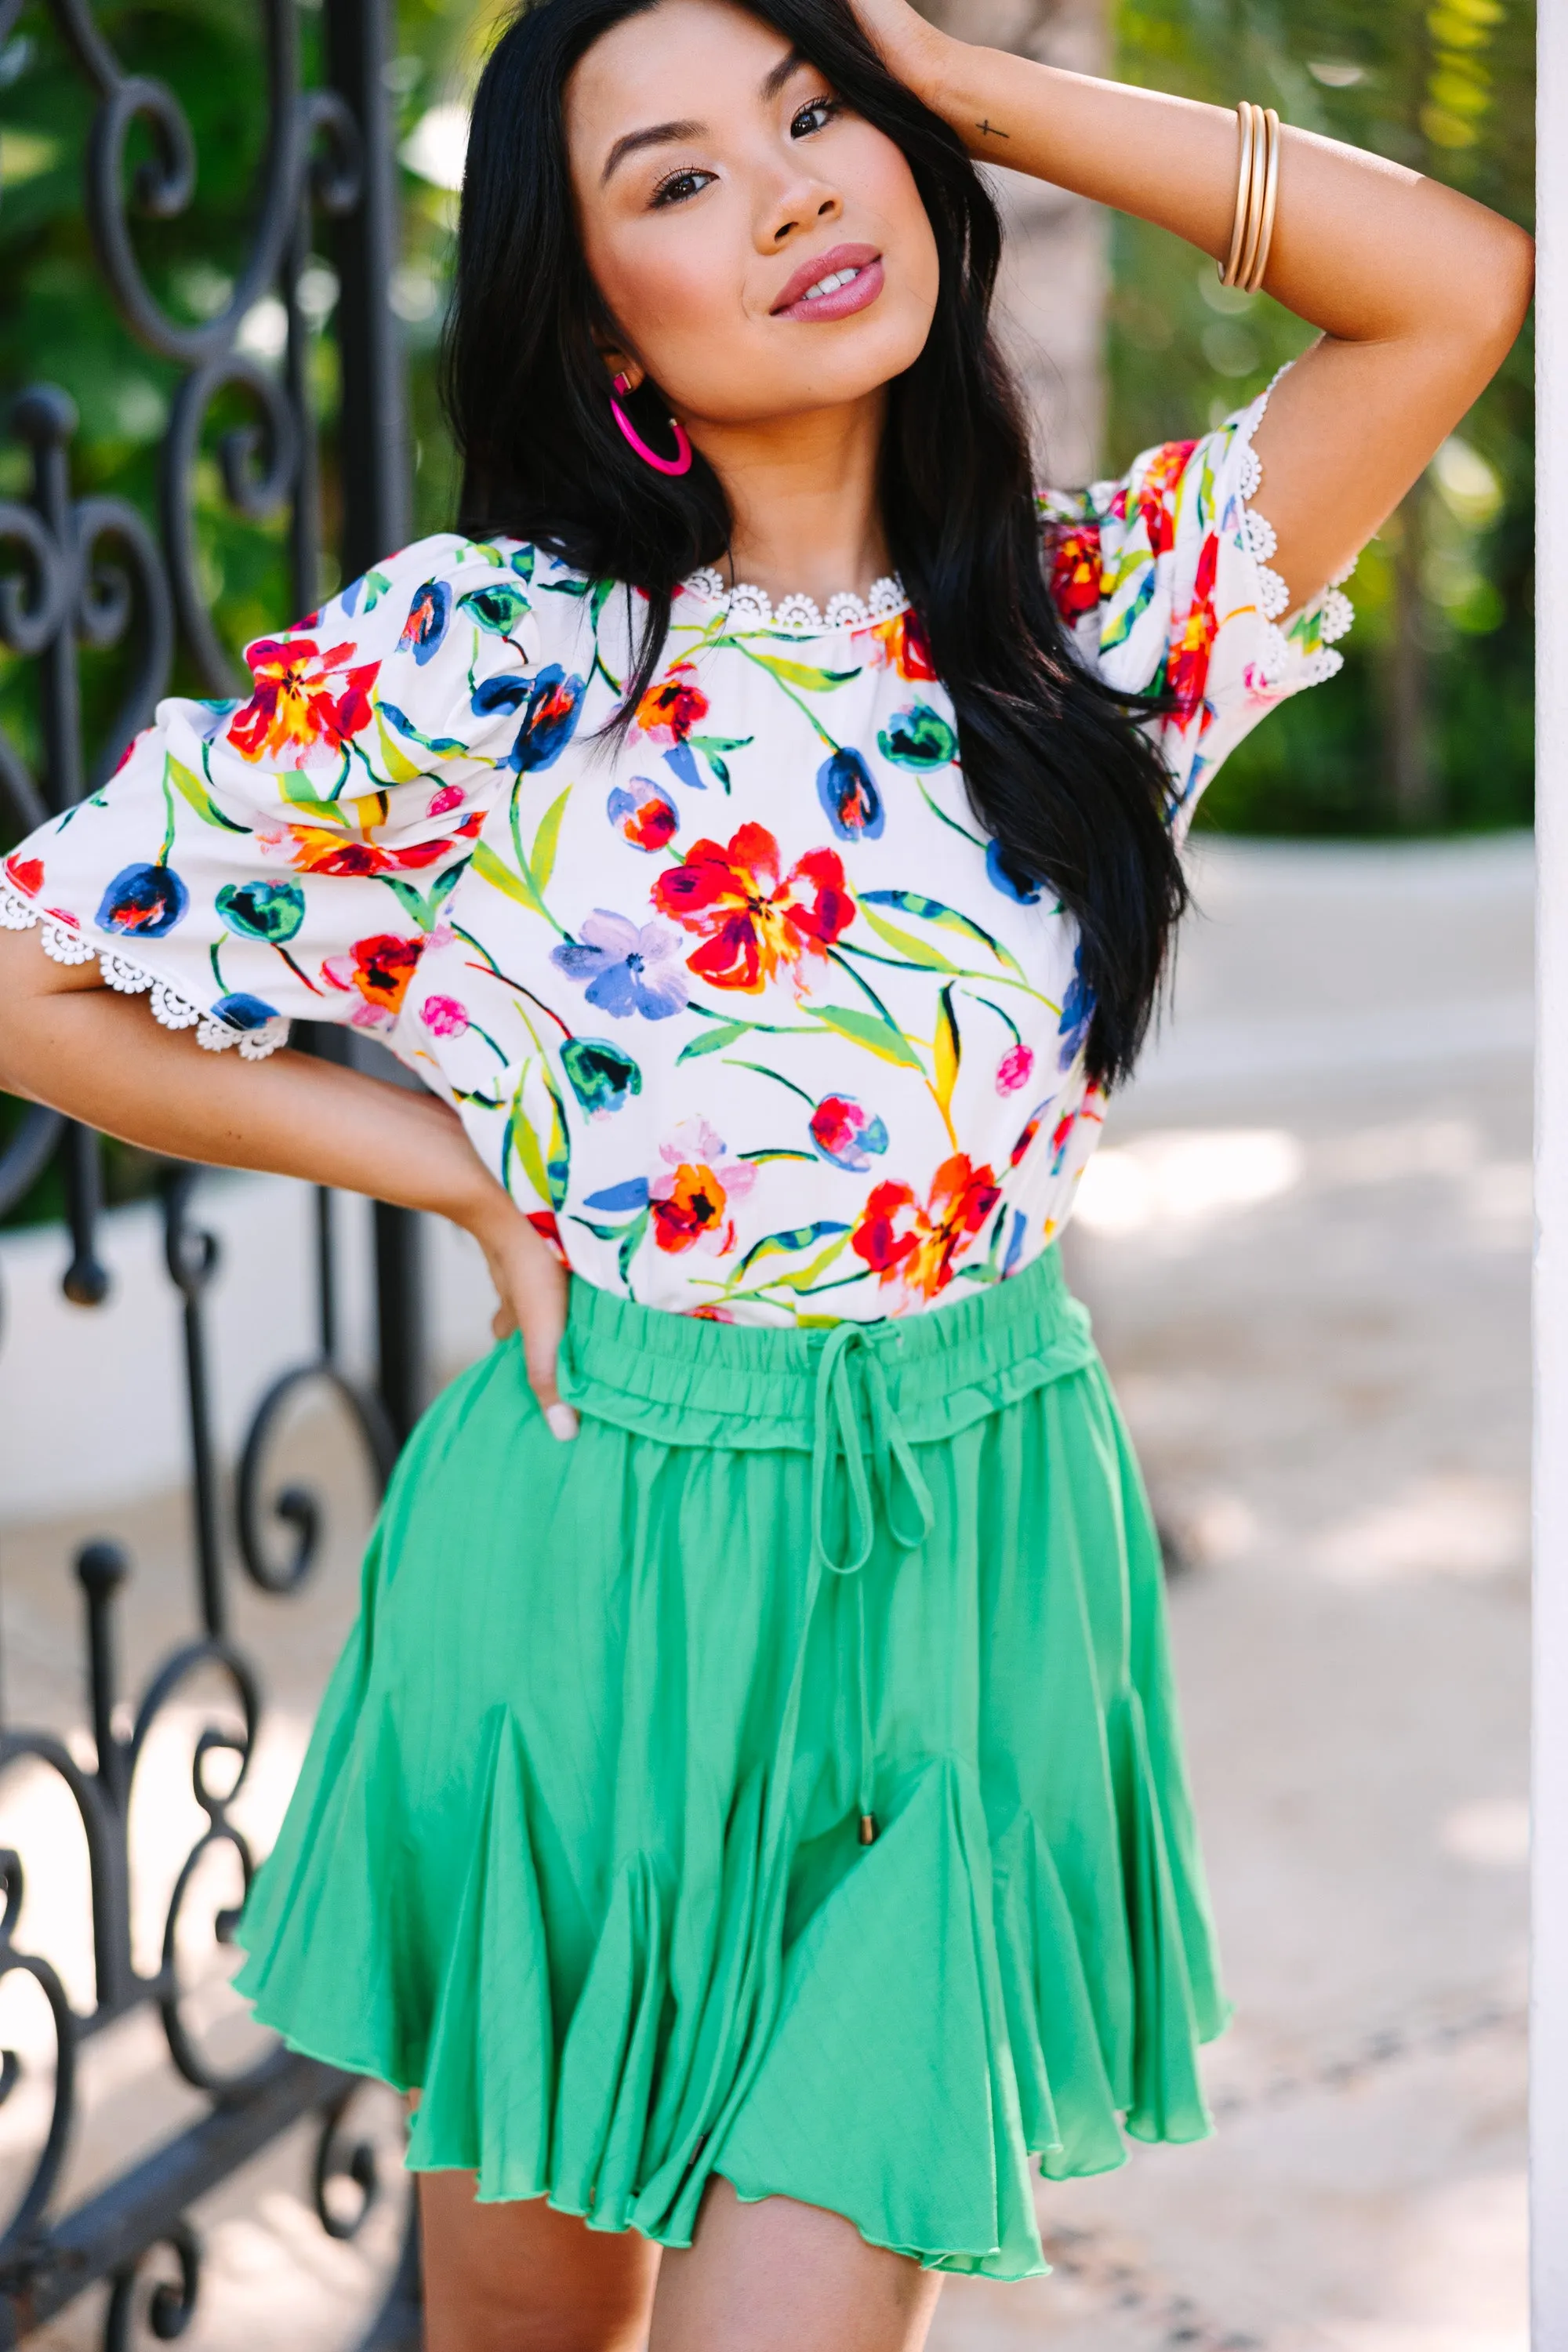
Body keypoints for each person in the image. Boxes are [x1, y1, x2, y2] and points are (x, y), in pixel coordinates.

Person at [0, 0, 1530, 2337]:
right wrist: (453, 1179)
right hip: (585, 1556)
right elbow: (36, 973)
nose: (798, 189)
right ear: (592, 302)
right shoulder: (488, 663)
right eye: (681, 175)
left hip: (965, 1581)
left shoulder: (1097, 622)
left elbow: (1450, 281)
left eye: (820, 125)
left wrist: (955, 76)